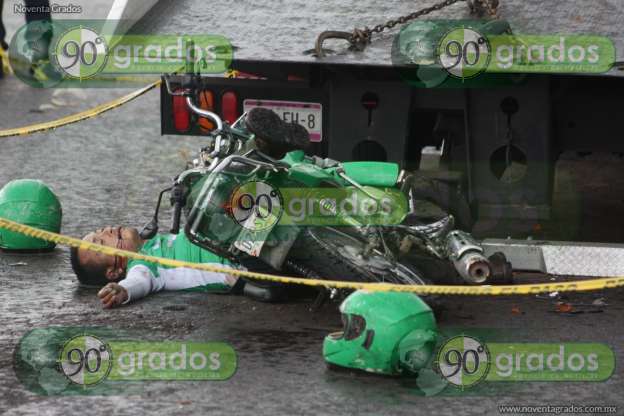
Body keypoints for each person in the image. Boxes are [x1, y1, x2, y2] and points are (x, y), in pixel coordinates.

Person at [70, 226, 244, 309]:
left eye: (100, 230)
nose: (107, 231)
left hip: (234, 236)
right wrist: (122, 290)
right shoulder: (141, 264)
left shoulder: (150, 243)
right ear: (114, 272)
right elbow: (139, 281)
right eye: (101, 242)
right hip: (241, 260)